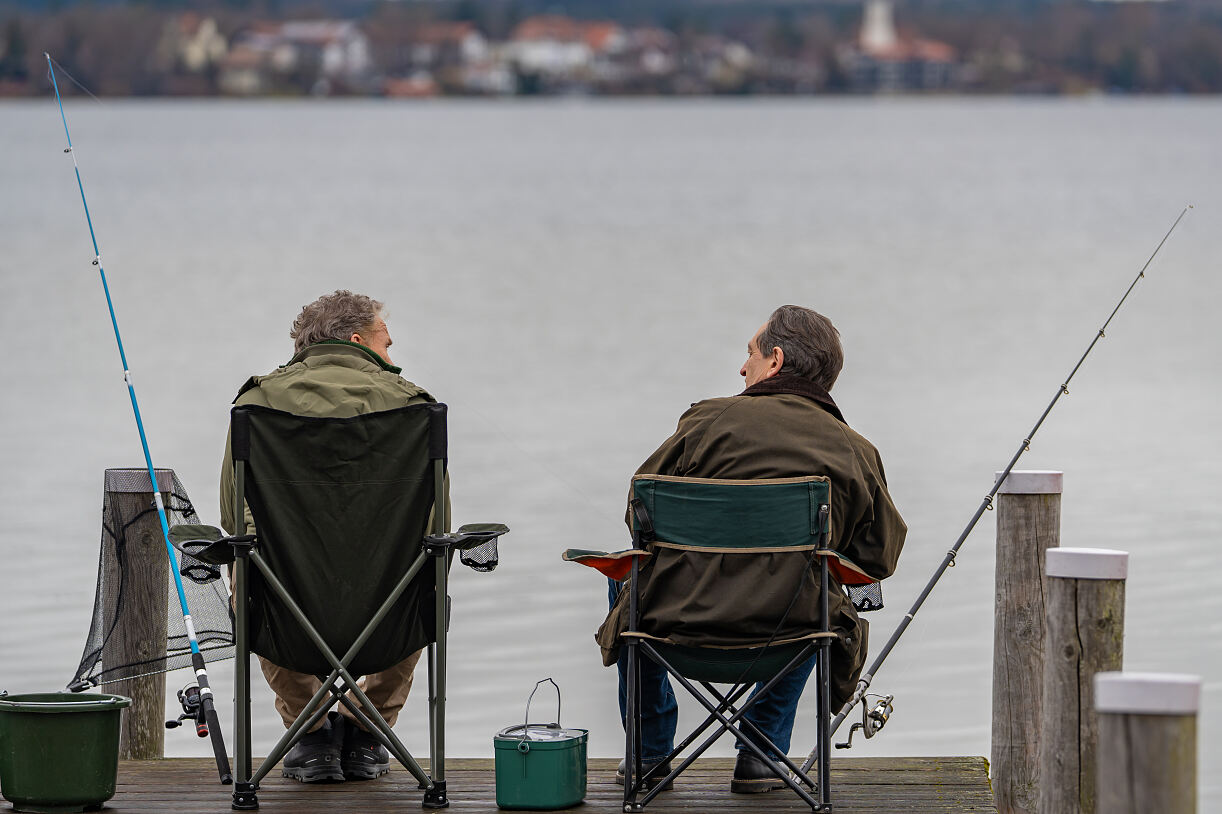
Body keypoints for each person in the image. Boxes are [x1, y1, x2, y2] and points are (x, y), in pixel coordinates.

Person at [599, 304, 907, 793]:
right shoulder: (855, 449)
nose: (743, 368)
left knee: (628, 577)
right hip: (788, 636)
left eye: (750, 354)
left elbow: (639, 515)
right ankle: (761, 753)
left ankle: (649, 753)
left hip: (678, 625)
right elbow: (879, 559)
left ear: (775, 361)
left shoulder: (704, 421)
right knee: (816, 590)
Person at [219, 290, 443, 784]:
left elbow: (236, 519)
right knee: (425, 570)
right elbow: (437, 521)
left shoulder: (255, 404)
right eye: (387, 345)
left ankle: (312, 736)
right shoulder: (415, 407)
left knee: (250, 571)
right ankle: (367, 732)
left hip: (289, 615)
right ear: (358, 341)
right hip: (387, 616)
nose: (393, 359)